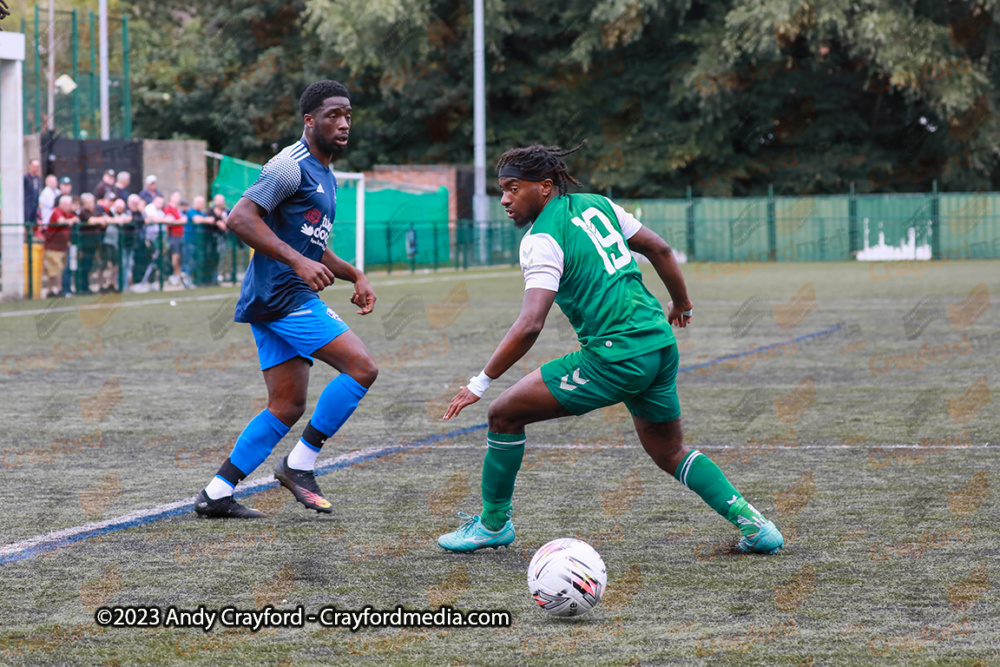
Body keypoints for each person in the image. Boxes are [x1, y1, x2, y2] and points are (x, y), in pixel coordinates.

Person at [437, 143, 785, 556]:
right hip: (658, 344)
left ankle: (493, 525)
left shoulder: (542, 239)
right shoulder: (597, 205)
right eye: (502, 191)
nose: (506, 200)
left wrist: (481, 382)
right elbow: (659, 248)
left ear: (546, 187)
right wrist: (682, 303)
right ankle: (756, 526)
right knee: (668, 450)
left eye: (513, 188)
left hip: (613, 356)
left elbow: (531, 323)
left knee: (503, 414)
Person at [194, 80, 378, 519]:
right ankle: (300, 465)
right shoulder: (288, 165)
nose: (343, 122)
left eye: (348, 114)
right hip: (283, 294)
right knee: (362, 367)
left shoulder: (326, 175)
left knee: (288, 405)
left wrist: (354, 273)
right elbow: (240, 219)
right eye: (333, 114)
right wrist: (297, 262)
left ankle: (216, 493)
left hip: (274, 295)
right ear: (309, 120)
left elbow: (312, 244)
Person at [43, 195, 79, 298]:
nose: (69, 207)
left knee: (57, 269)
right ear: (61, 204)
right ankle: (57, 290)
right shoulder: (56, 211)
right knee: (55, 270)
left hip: (62, 247)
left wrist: (73, 219)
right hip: (53, 246)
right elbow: (61, 221)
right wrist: (71, 221)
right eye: (67, 204)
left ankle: (54, 290)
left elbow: (76, 218)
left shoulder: (67, 213)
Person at [76, 193, 107, 294]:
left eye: (91, 202)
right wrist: (99, 220)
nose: (90, 204)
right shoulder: (82, 212)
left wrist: (100, 220)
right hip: (84, 244)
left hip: (94, 243)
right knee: (83, 266)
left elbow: (105, 219)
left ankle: (87, 287)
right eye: (87, 203)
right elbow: (91, 220)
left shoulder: (97, 210)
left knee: (90, 266)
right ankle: (82, 287)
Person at [163, 191, 186, 286]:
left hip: (180, 235)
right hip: (173, 235)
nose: (178, 198)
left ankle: (178, 274)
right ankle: (174, 275)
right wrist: (181, 221)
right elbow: (170, 221)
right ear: (171, 197)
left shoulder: (178, 209)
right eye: (176, 196)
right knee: (175, 256)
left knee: (179, 256)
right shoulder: (168, 208)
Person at [24, 159, 42, 227]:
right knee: (26, 224)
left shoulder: (38, 178)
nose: (35, 168)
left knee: (35, 224)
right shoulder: (26, 178)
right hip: (27, 206)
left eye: (37, 166)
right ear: (30, 166)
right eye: (34, 166)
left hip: (35, 206)